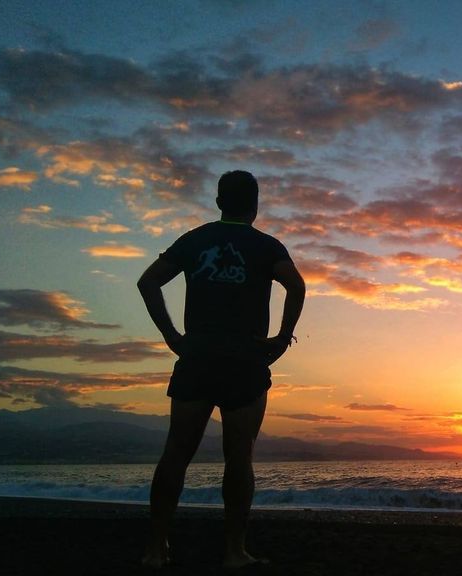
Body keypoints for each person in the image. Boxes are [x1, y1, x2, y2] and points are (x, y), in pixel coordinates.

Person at [137, 170, 305, 569]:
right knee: (239, 457)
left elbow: (148, 282)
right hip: (245, 361)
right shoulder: (266, 246)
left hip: (197, 357)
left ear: (218, 203)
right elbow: (296, 286)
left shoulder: (195, 239)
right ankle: (234, 551)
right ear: (255, 205)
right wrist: (282, 338)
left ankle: (156, 550)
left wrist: (172, 336)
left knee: (176, 452)